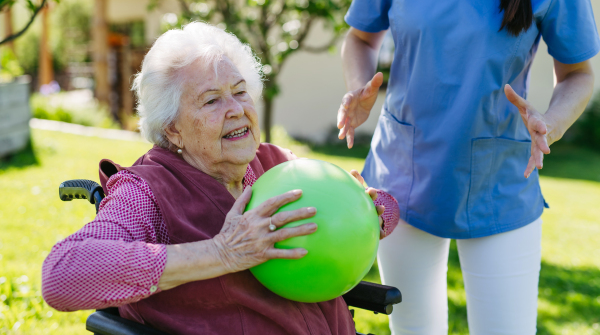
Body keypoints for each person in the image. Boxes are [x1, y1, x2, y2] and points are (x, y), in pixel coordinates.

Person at [41, 22, 400, 335]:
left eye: (240, 91)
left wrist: (374, 206)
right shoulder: (147, 193)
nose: (236, 109)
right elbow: (62, 275)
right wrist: (221, 253)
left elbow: (379, 213)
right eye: (211, 101)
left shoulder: (276, 164)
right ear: (173, 129)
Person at [336, 0, 599, 332]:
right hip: (404, 176)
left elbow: (578, 75)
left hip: (501, 182)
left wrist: (553, 122)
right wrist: (359, 87)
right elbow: (359, 38)